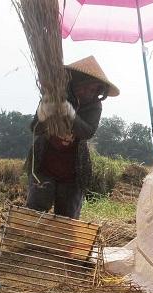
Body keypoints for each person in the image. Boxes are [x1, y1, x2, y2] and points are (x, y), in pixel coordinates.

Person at [24, 56, 119, 219]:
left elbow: (87, 132)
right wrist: (44, 113)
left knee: (67, 219)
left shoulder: (94, 105)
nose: (89, 93)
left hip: (73, 172)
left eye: (94, 90)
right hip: (44, 165)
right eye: (86, 87)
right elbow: (35, 128)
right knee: (35, 213)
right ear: (75, 82)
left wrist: (70, 114)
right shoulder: (55, 95)